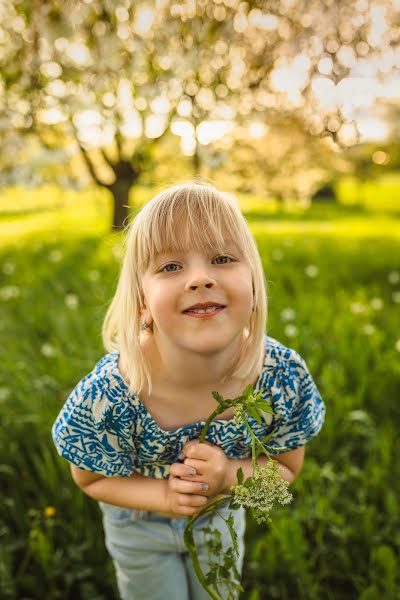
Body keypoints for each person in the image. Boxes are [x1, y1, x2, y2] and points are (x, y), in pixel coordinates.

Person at [51, 180, 326, 600]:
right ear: (142, 300)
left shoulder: (277, 377)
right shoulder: (112, 393)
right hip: (137, 526)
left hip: (220, 517)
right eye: (171, 267)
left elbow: (285, 474)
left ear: (253, 285)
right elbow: (89, 479)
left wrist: (227, 475)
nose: (200, 278)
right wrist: (162, 494)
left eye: (221, 258)